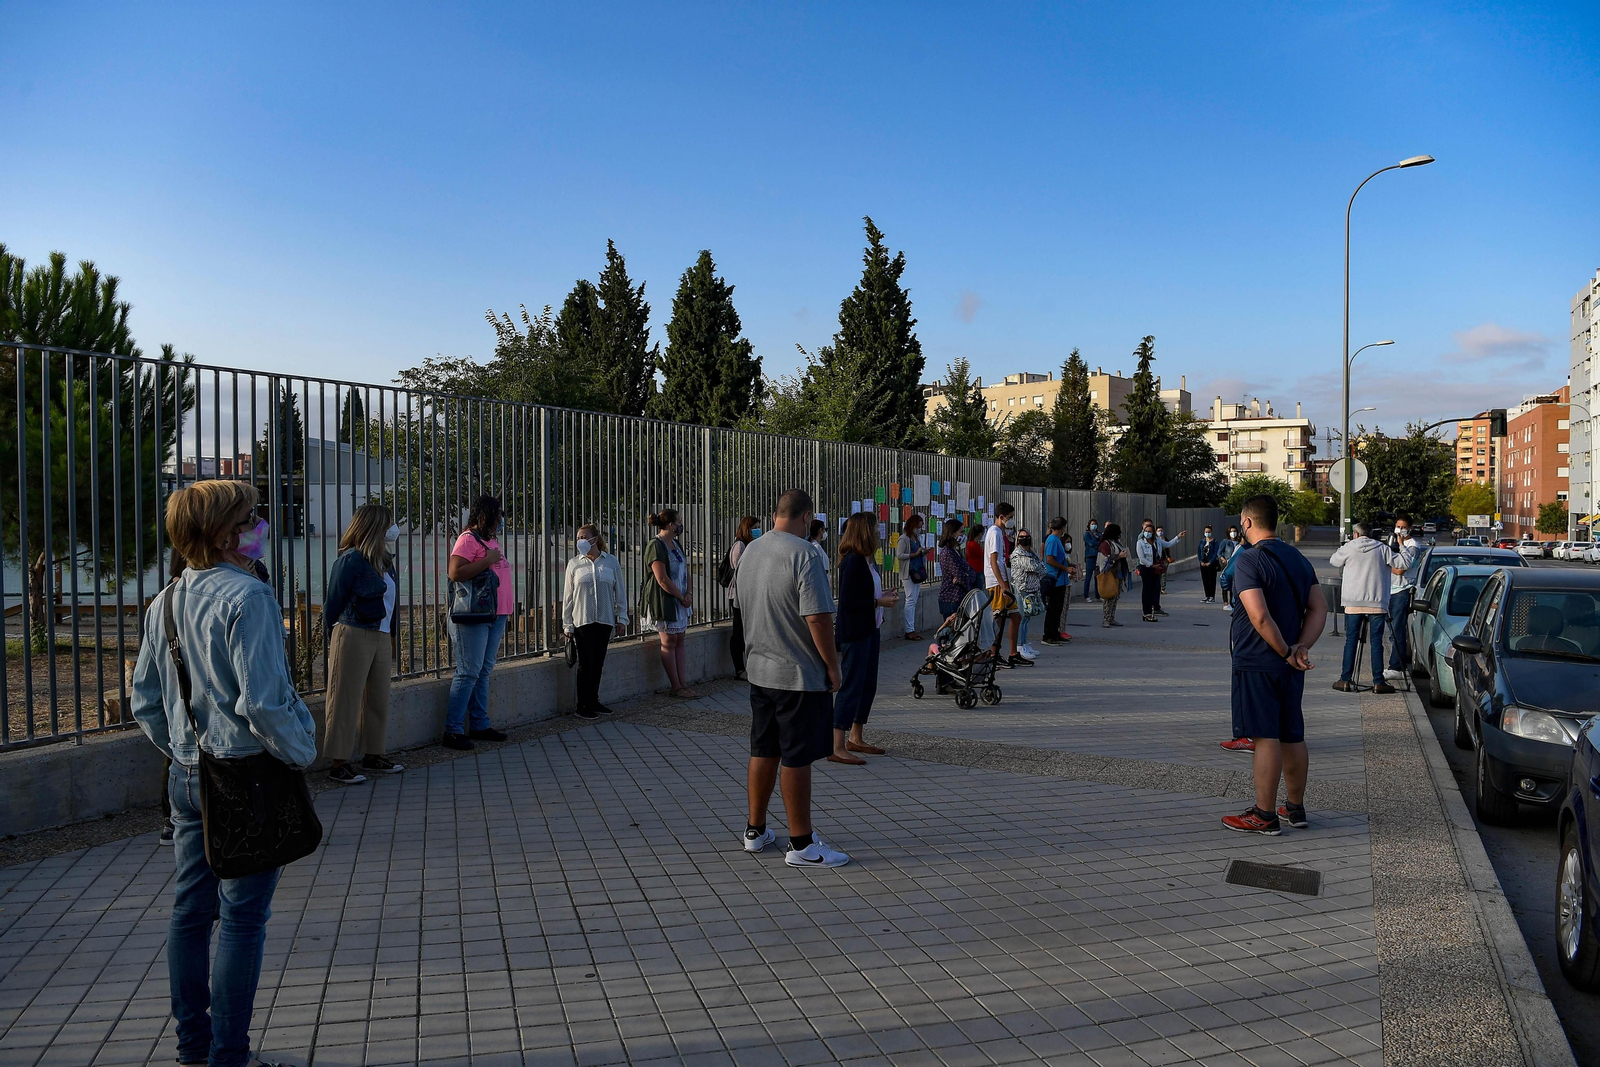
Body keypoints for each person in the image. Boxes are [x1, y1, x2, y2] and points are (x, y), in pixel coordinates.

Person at [130, 479, 317, 1067]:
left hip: (187, 775)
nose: (261, 527)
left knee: (190, 913)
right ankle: (229, 1056)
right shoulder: (250, 597)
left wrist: (183, 750)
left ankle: (194, 1047)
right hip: (246, 777)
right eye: (250, 519)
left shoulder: (165, 601)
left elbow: (145, 701)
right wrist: (302, 752)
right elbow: (263, 703)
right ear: (222, 534)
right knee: (242, 918)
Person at [736, 489, 850, 868]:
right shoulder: (806, 554)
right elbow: (817, 617)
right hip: (798, 674)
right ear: (806, 517)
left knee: (763, 749)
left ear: (775, 515)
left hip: (759, 670)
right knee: (797, 757)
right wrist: (832, 666)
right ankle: (801, 844)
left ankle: (755, 831)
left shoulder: (751, 551)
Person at [1221, 494, 1328, 835]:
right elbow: (1320, 608)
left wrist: (1283, 651)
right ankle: (1295, 808)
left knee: (1265, 735)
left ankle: (1264, 815)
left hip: (1259, 661)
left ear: (1247, 522)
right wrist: (1300, 648)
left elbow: (1259, 616)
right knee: (1292, 734)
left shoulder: (1248, 560)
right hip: (1290, 665)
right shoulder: (1298, 558)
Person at [321, 503, 404, 784]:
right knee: (344, 698)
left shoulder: (385, 561)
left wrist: (391, 634)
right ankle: (339, 763)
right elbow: (333, 603)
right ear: (375, 526)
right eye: (388, 523)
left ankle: (373, 754)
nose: (393, 529)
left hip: (381, 634)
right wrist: (335, 635)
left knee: (378, 697)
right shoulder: (350, 560)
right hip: (354, 632)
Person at [444, 495, 514, 751]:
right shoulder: (467, 539)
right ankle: (452, 729)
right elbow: (455, 572)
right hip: (473, 616)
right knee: (468, 671)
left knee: (483, 670)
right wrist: (487, 560)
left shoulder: (490, 540)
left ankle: (480, 723)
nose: (501, 520)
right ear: (487, 515)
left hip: (496, 614)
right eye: (498, 515)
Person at [831, 513, 898, 765]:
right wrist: (878, 602)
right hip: (856, 632)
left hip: (871, 629)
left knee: (867, 685)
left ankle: (856, 737)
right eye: (876, 528)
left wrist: (883, 594)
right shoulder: (853, 561)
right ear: (865, 531)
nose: (879, 533)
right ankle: (837, 745)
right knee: (851, 685)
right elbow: (848, 603)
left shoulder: (867, 561)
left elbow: (865, 592)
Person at [562, 523, 629, 719]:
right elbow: (568, 596)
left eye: (583, 537)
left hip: (604, 620)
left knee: (598, 663)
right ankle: (582, 704)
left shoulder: (611, 562)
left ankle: (593, 700)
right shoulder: (574, 564)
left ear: (595, 539)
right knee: (585, 663)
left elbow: (620, 592)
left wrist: (622, 618)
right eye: (578, 538)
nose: (579, 541)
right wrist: (567, 624)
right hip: (582, 620)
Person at [1329, 523, 1397, 694]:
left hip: (1353, 602)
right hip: (1377, 602)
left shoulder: (1349, 547)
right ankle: (1378, 682)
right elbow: (1403, 562)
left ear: (1356, 534)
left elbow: (1334, 561)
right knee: (1376, 642)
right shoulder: (1382, 548)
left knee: (1351, 640)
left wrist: (1344, 546)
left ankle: (1345, 680)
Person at [643, 508, 698, 698]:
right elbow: (662, 578)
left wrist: (688, 593)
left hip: (681, 600)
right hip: (665, 600)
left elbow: (685, 570)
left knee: (680, 639)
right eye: (679, 521)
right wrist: (680, 597)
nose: (681, 525)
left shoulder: (675, 543)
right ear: (671, 524)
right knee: (669, 641)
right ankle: (676, 686)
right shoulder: (656, 545)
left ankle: (683, 684)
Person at [985, 503, 1028, 667]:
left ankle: (1013, 653)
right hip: (996, 582)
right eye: (1010, 517)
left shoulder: (1000, 532)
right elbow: (993, 561)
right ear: (1001, 517)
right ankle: (993, 653)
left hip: (1004, 580)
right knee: (999, 618)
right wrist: (1003, 586)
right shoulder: (995, 532)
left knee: (1015, 616)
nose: (1011, 521)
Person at [1384, 514, 1424, 683]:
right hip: (1390, 591)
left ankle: (1397, 667)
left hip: (1402, 590)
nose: (1399, 530)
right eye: (1397, 526)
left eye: (1403, 527)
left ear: (1410, 529)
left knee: (1397, 630)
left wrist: (1386, 565)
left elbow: (1401, 569)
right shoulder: (1392, 542)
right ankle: (1396, 664)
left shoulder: (1413, 546)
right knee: (1392, 631)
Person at [726, 516, 759, 679]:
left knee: (748, 632)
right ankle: (739, 669)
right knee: (739, 631)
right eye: (755, 528)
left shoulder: (752, 545)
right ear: (747, 529)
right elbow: (740, 571)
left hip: (749, 594)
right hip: (738, 594)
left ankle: (750, 666)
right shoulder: (740, 545)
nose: (758, 531)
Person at [1010, 530, 1047, 659]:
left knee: (1027, 617)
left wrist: (1036, 569)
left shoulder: (1032, 552)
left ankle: (1025, 642)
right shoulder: (1017, 554)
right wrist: (1036, 568)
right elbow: (1032, 567)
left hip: (1033, 589)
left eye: (1026, 536)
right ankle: (1019, 646)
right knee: (1021, 617)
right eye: (1021, 536)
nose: (1024, 539)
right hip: (1021, 589)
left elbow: (1042, 568)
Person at [1040, 517, 1075, 644]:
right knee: (1053, 609)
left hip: (1060, 579)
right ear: (1062, 527)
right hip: (1055, 579)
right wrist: (1065, 568)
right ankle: (1048, 635)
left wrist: (1069, 565)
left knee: (1058, 609)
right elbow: (1049, 559)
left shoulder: (1056, 540)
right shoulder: (1053, 540)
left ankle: (1055, 633)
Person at [937, 518, 978, 619]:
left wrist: (967, 575)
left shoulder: (956, 551)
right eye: (961, 532)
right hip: (951, 598)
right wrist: (965, 576)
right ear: (952, 534)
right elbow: (960, 575)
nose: (964, 535)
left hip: (961, 597)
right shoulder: (947, 553)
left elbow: (970, 570)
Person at [896, 512, 928, 641]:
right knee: (910, 599)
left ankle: (912, 628)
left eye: (920, 527)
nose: (919, 529)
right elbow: (899, 555)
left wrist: (924, 553)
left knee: (914, 600)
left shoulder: (917, 538)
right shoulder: (904, 539)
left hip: (918, 571)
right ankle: (909, 630)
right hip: (909, 572)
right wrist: (914, 554)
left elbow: (918, 553)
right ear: (912, 526)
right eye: (917, 526)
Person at [1096, 523, 1128, 627]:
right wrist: (1118, 556)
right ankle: (1106, 619)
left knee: (1115, 597)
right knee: (1108, 597)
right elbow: (1105, 560)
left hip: (1118, 573)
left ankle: (1111, 618)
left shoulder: (1115, 542)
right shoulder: (1105, 544)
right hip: (1109, 574)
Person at [1135, 520, 1164, 622]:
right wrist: (1152, 566)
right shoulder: (1140, 543)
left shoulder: (1156, 542)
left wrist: (1178, 537)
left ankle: (1151, 611)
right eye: (1146, 531)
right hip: (1146, 568)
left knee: (1153, 590)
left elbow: (1167, 544)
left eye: (1150, 531)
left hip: (1156, 569)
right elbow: (1141, 558)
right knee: (1147, 590)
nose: (1148, 533)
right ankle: (1146, 612)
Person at [1197, 525, 1224, 604]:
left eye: (1209, 532)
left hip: (1211, 563)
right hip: (1203, 562)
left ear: (1211, 532)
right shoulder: (1202, 541)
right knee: (1205, 579)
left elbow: (1216, 553)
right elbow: (1199, 551)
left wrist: (1210, 562)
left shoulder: (1215, 542)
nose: (1207, 533)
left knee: (1211, 580)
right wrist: (1201, 561)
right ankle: (1207, 595)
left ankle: (1212, 596)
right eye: (1206, 532)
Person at [1219, 525, 1242, 612]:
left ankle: (1232, 602)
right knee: (1225, 583)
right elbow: (1219, 553)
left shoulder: (1239, 543)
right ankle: (1226, 603)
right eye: (1231, 531)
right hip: (1227, 564)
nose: (1233, 533)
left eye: (1234, 531)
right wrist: (1223, 560)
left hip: (1235, 565)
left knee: (1234, 584)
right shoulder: (1225, 542)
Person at [1082, 519, 1102, 602]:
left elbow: (1102, 542)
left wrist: (1097, 542)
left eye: (1095, 524)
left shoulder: (1099, 534)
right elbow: (1090, 543)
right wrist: (1097, 542)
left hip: (1098, 556)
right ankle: (1086, 595)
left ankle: (1098, 595)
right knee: (1088, 577)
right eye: (1092, 524)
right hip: (1090, 556)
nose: (1094, 526)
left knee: (1097, 576)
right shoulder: (1087, 534)